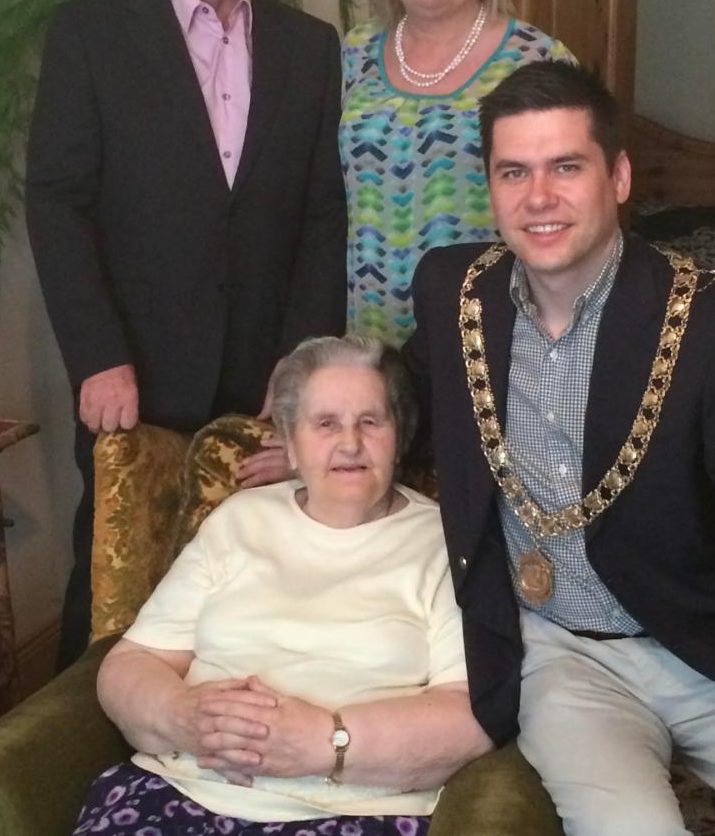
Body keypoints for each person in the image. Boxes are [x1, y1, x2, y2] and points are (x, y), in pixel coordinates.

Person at [402, 60, 715, 836]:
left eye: (565, 167)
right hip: (561, 659)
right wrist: (321, 427)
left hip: (707, 648)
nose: (538, 198)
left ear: (617, 177)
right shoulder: (456, 293)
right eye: (514, 172)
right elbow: (405, 388)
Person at [25, 0, 346, 669]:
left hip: (260, 381)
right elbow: (58, 203)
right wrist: (97, 355)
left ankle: (222, 766)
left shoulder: (310, 49)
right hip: (133, 376)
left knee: (256, 584)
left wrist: (302, 371)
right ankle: (75, 764)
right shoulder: (90, 35)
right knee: (114, 589)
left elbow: (320, 218)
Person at [75, 335, 492, 836]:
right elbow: (130, 663)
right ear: (289, 444)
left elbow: (472, 716)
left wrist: (327, 741)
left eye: (370, 421)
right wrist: (183, 716)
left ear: (399, 437)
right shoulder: (239, 520)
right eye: (325, 423)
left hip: (351, 813)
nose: (350, 443)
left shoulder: (445, 542)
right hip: (180, 789)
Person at [340, 0, 574, 348]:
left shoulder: (538, 61)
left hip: (499, 336)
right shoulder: (351, 55)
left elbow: (580, 207)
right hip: (366, 341)